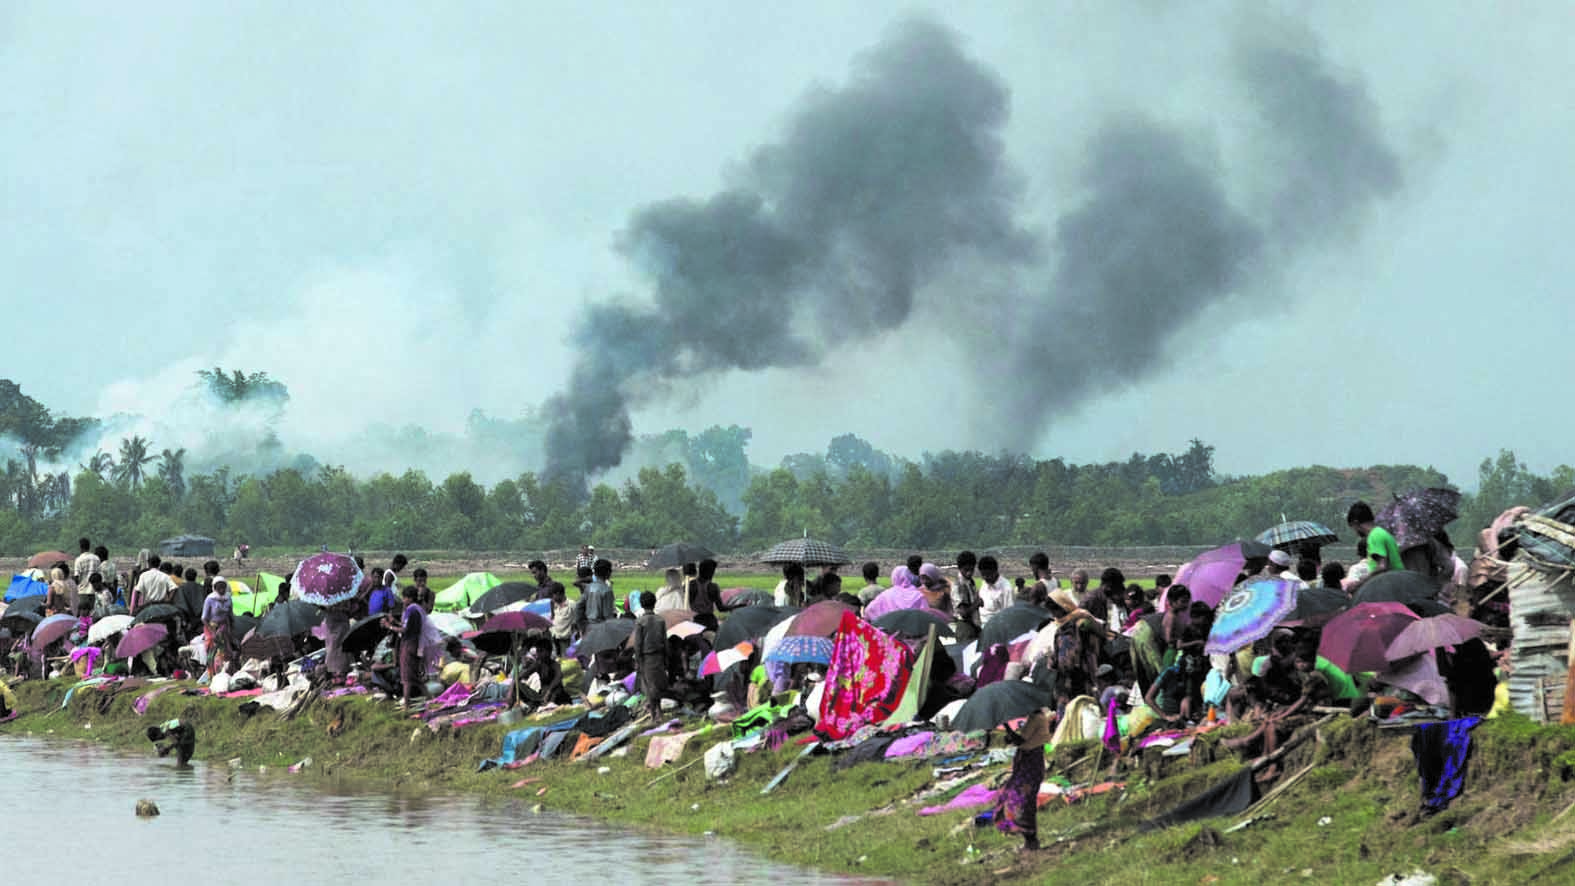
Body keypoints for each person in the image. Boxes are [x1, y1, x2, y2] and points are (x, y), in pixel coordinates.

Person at [993, 706, 1051, 851]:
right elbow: (1023, 740)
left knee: (1022, 800)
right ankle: (1029, 840)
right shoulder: (1036, 718)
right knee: (1020, 799)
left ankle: (1031, 840)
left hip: (1030, 764)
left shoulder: (1036, 719)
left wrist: (1006, 726)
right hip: (1029, 763)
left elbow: (1020, 740)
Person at [387, 585, 425, 708]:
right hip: (413, 643)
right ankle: (431, 698)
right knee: (414, 676)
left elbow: (405, 629)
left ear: (409, 598)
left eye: (404, 598)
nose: (403, 600)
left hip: (409, 644)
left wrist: (389, 626)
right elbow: (406, 626)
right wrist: (394, 622)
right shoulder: (416, 609)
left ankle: (407, 704)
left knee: (407, 676)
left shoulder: (411, 610)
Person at [632, 591, 668, 720]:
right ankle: (659, 711)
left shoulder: (641, 621)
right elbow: (665, 640)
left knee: (649, 686)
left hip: (646, 657)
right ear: (655, 603)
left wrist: (637, 659)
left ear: (641, 604)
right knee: (657, 684)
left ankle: (654, 715)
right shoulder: (660, 620)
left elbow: (638, 643)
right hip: (658, 656)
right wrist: (666, 657)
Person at [1347, 501, 1403, 575]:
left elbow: (1382, 566)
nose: (1355, 532)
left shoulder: (1374, 536)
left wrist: (1363, 580)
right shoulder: (1380, 532)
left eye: (1353, 527)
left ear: (1356, 523)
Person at [201, 579, 234, 680]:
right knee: (212, 651)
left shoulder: (228, 598)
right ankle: (213, 675)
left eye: (223, 587)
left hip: (224, 627)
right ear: (214, 588)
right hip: (211, 627)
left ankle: (223, 673)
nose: (221, 590)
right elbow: (204, 618)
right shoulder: (210, 599)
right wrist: (212, 631)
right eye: (219, 588)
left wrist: (231, 627)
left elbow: (230, 614)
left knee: (224, 651)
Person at [952, 551, 981, 643]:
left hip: (974, 624)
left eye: (971, 570)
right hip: (964, 627)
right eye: (966, 570)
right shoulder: (958, 585)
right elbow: (963, 613)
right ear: (960, 568)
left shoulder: (970, 582)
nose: (969, 573)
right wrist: (977, 603)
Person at [976, 555, 1013, 625]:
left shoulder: (1006, 588)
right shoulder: (984, 584)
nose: (985, 577)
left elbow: (1009, 614)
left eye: (988, 574)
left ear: (995, 571)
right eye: (983, 575)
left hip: (995, 627)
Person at [687, 559, 723, 630]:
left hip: (695, 620)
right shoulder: (713, 587)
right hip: (709, 622)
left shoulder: (690, 585)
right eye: (713, 571)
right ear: (709, 572)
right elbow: (721, 608)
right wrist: (736, 606)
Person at [580, 558, 616, 627]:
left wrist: (581, 625)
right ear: (608, 572)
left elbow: (579, 607)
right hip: (601, 626)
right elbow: (608, 615)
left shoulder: (588, 587)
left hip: (588, 625)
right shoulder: (607, 590)